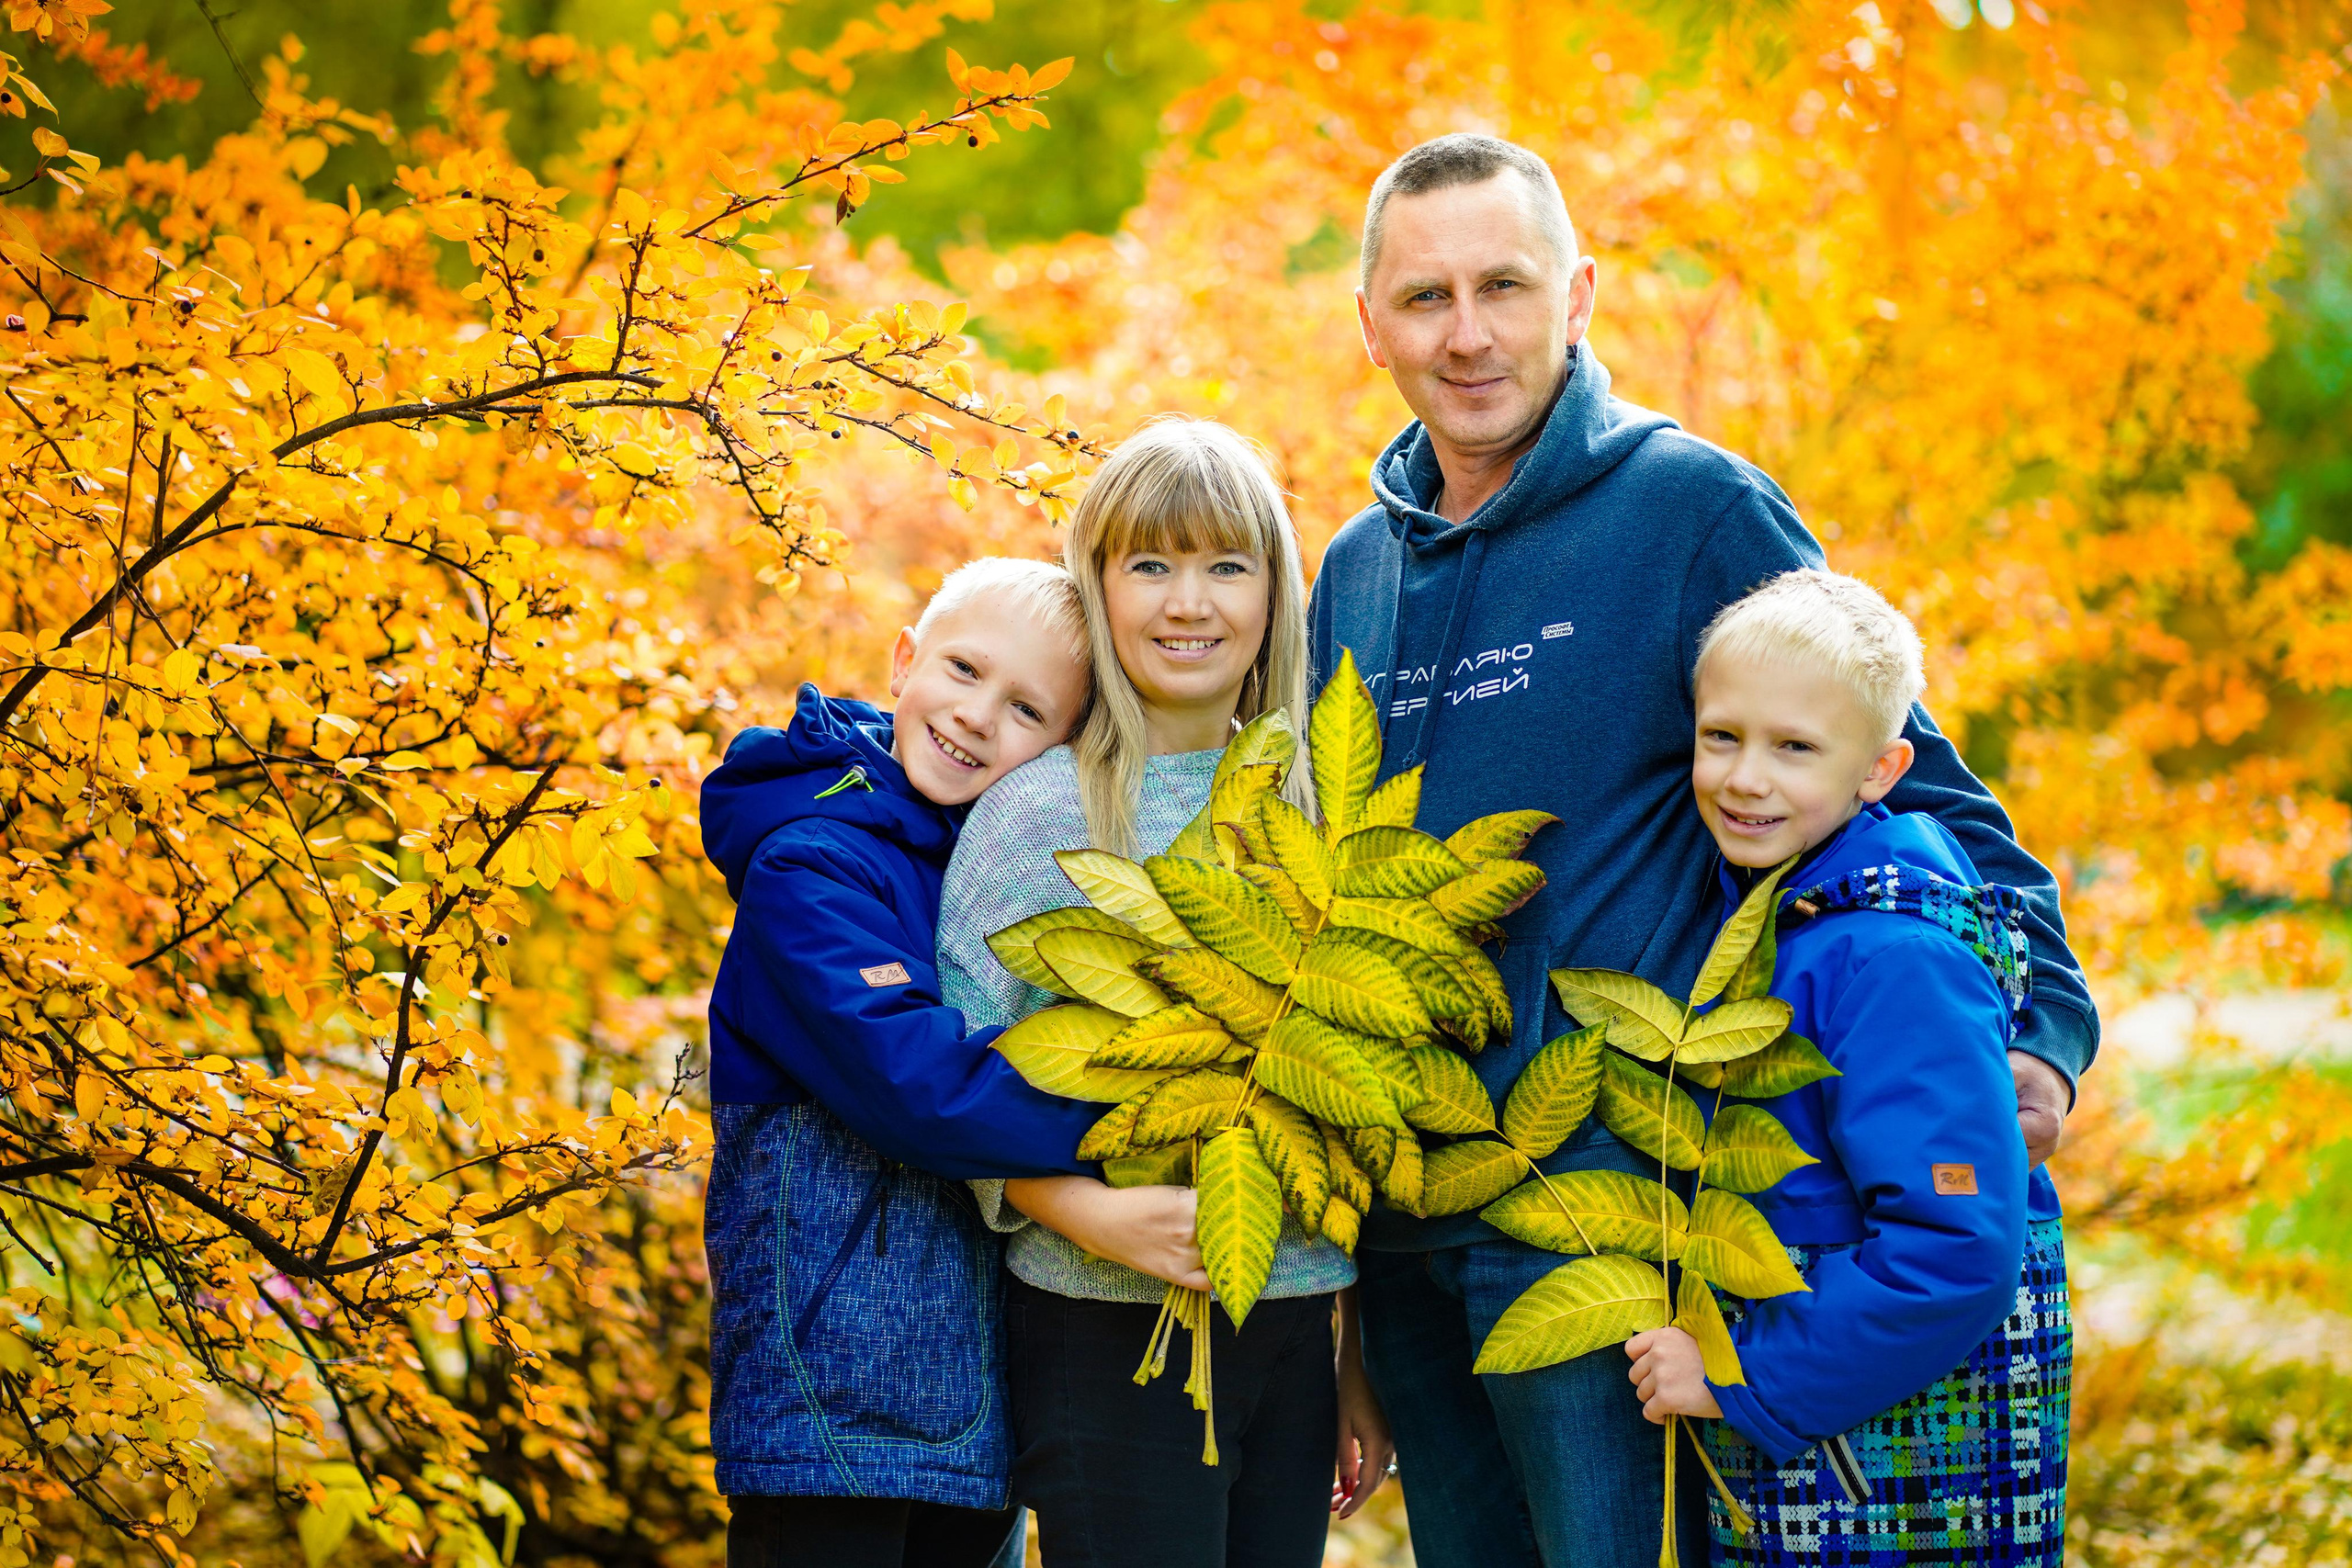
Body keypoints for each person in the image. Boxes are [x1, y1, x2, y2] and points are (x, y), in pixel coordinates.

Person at [1306, 133, 2097, 1568]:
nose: (1468, 333)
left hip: (1609, 1214)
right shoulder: (1353, 571)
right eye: (1424, 298)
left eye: (1506, 285)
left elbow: (1904, 762)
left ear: (1582, 295)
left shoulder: (1692, 509)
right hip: (1412, 1220)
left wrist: (2043, 1020)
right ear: (1369, 325)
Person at [935, 419, 1395, 1568]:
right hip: (1098, 1326)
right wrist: (1086, 1212)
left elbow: (1359, 1104)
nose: (1188, 602)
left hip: (1290, 1328)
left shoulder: (1322, 809)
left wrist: (1353, 1358)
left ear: (1275, 594)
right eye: (1150, 564)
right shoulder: (1037, 817)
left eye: (1224, 566)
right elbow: (952, 1080)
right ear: (1098, 586)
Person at [700, 558, 1204, 1568]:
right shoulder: (813, 864)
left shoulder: (983, 865)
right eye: (964, 671)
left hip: (972, 1402)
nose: (977, 716)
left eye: (1025, 710)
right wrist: (1141, 1122)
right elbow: (916, 1084)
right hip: (830, 1397)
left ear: (1061, 750)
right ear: (903, 661)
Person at [1627, 568, 2069, 1566]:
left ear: (1879, 769)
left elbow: (1953, 1246)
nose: (1746, 778)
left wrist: (1737, 1378)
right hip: (1831, 1445)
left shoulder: (1891, 952)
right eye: (1721, 737)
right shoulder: (1794, 913)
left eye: (1794, 749)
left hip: (1895, 1465)